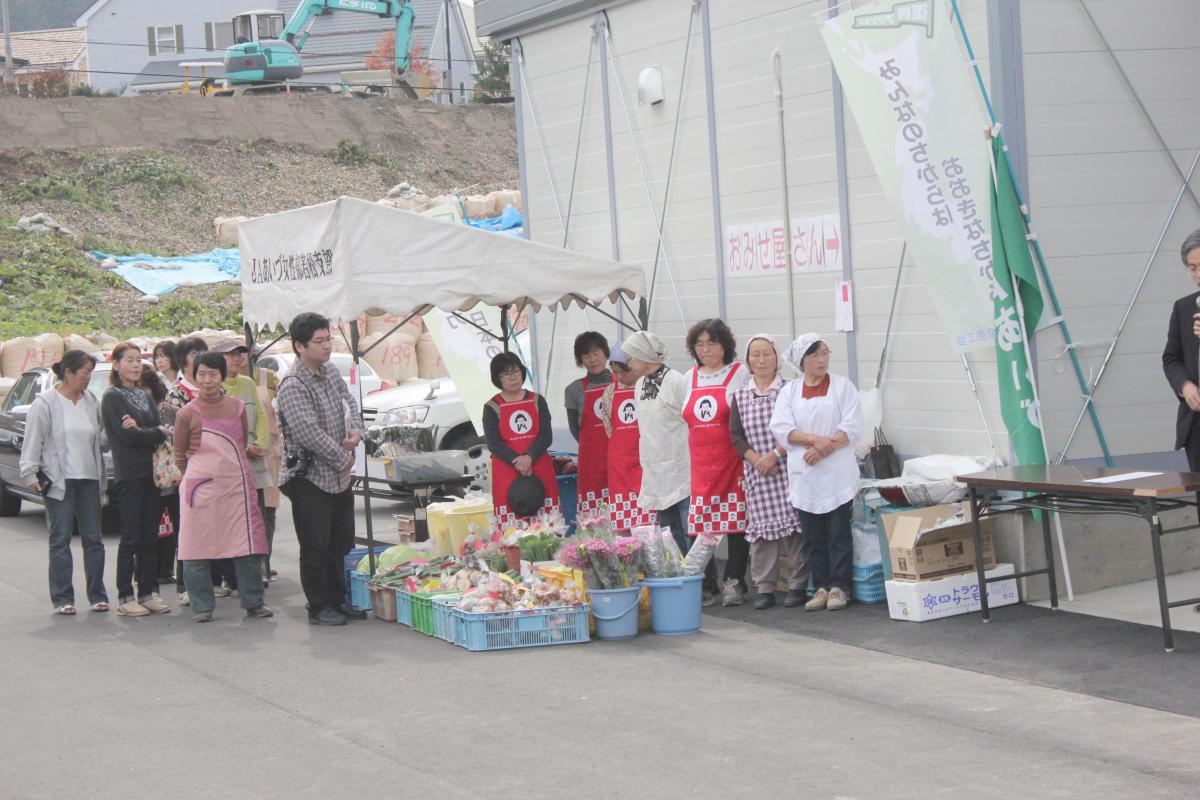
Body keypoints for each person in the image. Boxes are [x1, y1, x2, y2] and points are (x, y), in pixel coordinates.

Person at [276, 312, 367, 627]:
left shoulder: (330, 372)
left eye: (328, 339)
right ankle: (319, 605)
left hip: (340, 476)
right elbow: (307, 433)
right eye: (319, 341)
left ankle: (341, 599)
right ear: (299, 346)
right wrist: (342, 458)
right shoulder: (293, 383)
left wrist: (356, 434)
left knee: (343, 542)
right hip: (311, 477)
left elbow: (351, 406)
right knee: (315, 546)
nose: (327, 346)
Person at [173, 352, 272, 622]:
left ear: (222, 376)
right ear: (195, 376)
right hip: (199, 489)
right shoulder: (186, 413)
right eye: (201, 374)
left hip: (235, 486)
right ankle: (202, 606)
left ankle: (253, 602)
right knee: (194, 549)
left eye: (212, 374)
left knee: (246, 546)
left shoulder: (238, 407)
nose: (207, 380)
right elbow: (179, 454)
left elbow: (240, 442)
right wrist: (195, 477)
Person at [770, 333, 863, 612]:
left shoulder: (843, 387)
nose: (821, 360)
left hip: (837, 473)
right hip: (806, 475)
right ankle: (821, 586)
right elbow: (783, 429)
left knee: (838, 532)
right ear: (802, 361)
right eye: (814, 355)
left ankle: (839, 586)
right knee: (813, 536)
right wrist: (815, 440)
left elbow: (852, 426)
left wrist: (824, 448)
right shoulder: (789, 392)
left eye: (824, 353)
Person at [19, 350, 109, 615]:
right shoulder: (45, 403)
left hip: (89, 479)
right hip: (59, 481)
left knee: (94, 539)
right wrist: (30, 473)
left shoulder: (92, 401)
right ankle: (62, 597)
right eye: (85, 372)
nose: (88, 378)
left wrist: (116, 431)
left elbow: (100, 439)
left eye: (91, 372)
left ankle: (98, 595)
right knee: (60, 539)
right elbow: (33, 441)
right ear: (68, 373)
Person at [730, 334, 808, 610]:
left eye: (767, 354)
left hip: (787, 466)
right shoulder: (740, 395)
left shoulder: (789, 389)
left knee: (794, 529)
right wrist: (756, 459)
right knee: (761, 534)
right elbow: (736, 435)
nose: (761, 360)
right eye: (755, 355)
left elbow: (797, 425)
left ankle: (798, 585)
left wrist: (774, 455)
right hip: (757, 471)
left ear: (777, 358)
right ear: (747, 361)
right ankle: (764, 587)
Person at [681, 318, 750, 607]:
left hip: (732, 460)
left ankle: (734, 581)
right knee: (701, 525)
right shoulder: (689, 378)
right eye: (699, 344)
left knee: (735, 525)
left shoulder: (739, 372)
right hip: (700, 464)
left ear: (725, 345)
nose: (705, 349)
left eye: (712, 343)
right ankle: (701, 582)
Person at [101, 342, 169, 617]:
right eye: (128, 360)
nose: (135, 364)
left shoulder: (143, 394)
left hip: (152, 473)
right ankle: (125, 594)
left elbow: (160, 429)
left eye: (137, 359)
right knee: (130, 535)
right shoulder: (112, 397)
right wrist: (150, 432)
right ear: (116, 365)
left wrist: (147, 430)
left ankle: (148, 590)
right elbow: (126, 436)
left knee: (149, 535)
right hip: (130, 474)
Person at [622, 330, 691, 561]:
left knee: (689, 528)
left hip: (681, 467)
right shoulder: (639, 384)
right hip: (655, 469)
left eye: (632, 356)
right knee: (669, 532)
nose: (628, 362)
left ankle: (706, 582)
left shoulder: (676, 381)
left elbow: (689, 420)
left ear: (644, 356)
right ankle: (679, 575)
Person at [213, 337, 276, 588]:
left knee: (257, 518)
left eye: (240, 354)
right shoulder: (215, 386)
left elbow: (260, 416)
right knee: (232, 522)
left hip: (254, 463)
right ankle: (232, 576)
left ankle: (256, 570)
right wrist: (243, 447)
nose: (237, 358)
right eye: (231, 355)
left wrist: (259, 444)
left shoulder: (248, 383)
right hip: (229, 465)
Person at [483, 351, 560, 529]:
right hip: (507, 470)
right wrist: (517, 461)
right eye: (506, 374)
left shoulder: (537, 400)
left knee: (546, 523)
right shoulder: (492, 407)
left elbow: (546, 436)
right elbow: (493, 444)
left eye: (516, 371)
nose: (512, 377)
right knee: (512, 528)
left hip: (538, 465)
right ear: (498, 378)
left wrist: (529, 457)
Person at [161, 336, 209, 603]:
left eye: (203, 351)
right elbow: (176, 438)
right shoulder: (176, 394)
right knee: (187, 529)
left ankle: (210, 581)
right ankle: (187, 586)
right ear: (183, 360)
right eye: (194, 352)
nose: (200, 355)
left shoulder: (214, 389)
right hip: (188, 471)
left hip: (213, 471)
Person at [599, 341, 657, 532]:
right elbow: (609, 426)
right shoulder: (610, 392)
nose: (620, 376)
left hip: (646, 462)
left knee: (648, 522)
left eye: (624, 371)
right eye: (616, 372)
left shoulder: (651, 388)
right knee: (623, 522)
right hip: (620, 465)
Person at [1163, 228, 1200, 474]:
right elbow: (1171, 358)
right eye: (1192, 267)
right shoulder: (1185, 307)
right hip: (1196, 423)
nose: (1197, 274)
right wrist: (1185, 385)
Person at [563, 331, 611, 518]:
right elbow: (575, 427)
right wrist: (590, 446)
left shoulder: (623, 382)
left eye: (596, 353)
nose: (592, 359)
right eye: (586, 355)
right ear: (580, 360)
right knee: (594, 517)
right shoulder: (573, 390)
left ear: (605, 354)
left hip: (621, 455)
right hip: (591, 460)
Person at [141, 369, 177, 585]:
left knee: (172, 523)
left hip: (170, 473)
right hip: (147, 475)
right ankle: (147, 574)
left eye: (144, 387)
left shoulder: (170, 410)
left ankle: (166, 570)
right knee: (150, 525)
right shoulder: (135, 411)